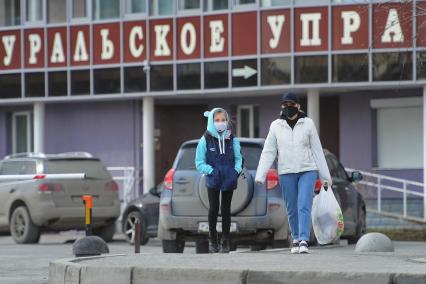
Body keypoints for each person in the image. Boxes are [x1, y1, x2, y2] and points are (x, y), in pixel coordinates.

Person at [255, 93, 332, 254]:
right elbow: (269, 151)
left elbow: (317, 151)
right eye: (284, 104)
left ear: (298, 106)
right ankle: (296, 238)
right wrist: (260, 175)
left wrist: (325, 177)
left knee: (303, 204)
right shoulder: (275, 126)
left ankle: (304, 240)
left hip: (307, 170)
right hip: (286, 171)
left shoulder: (308, 124)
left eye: (291, 104)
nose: (287, 107)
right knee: (291, 207)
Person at [195, 108, 243, 253]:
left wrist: (235, 171)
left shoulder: (233, 139)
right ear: (211, 121)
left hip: (229, 177)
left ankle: (226, 241)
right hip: (213, 178)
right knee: (214, 209)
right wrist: (211, 171)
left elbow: (238, 158)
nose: (220, 123)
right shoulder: (205, 140)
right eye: (217, 120)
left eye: (223, 120)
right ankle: (213, 240)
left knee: (226, 210)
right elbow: (199, 162)